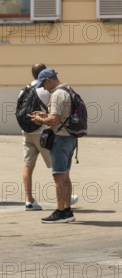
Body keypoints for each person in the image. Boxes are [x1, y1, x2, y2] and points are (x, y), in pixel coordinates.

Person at [31, 68, 78, 223]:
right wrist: (46, 116)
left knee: (58, 175)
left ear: (48, 80)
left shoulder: (57, 94)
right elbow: (60, 116)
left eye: (43, 84)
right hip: (70, 138)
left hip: (60, 139)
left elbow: (54, 121)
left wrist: (40, 120)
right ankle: (68, 211)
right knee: (65, 175)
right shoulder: (68, 90)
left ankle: (60, 211)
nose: (43, 88)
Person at [22, 63, 51, 211]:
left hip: (27, 133)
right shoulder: (46, 89)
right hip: (44, 133)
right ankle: (65, 196)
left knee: (28, 166)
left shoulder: (24, 89)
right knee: (57, 166)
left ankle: (29, 201)